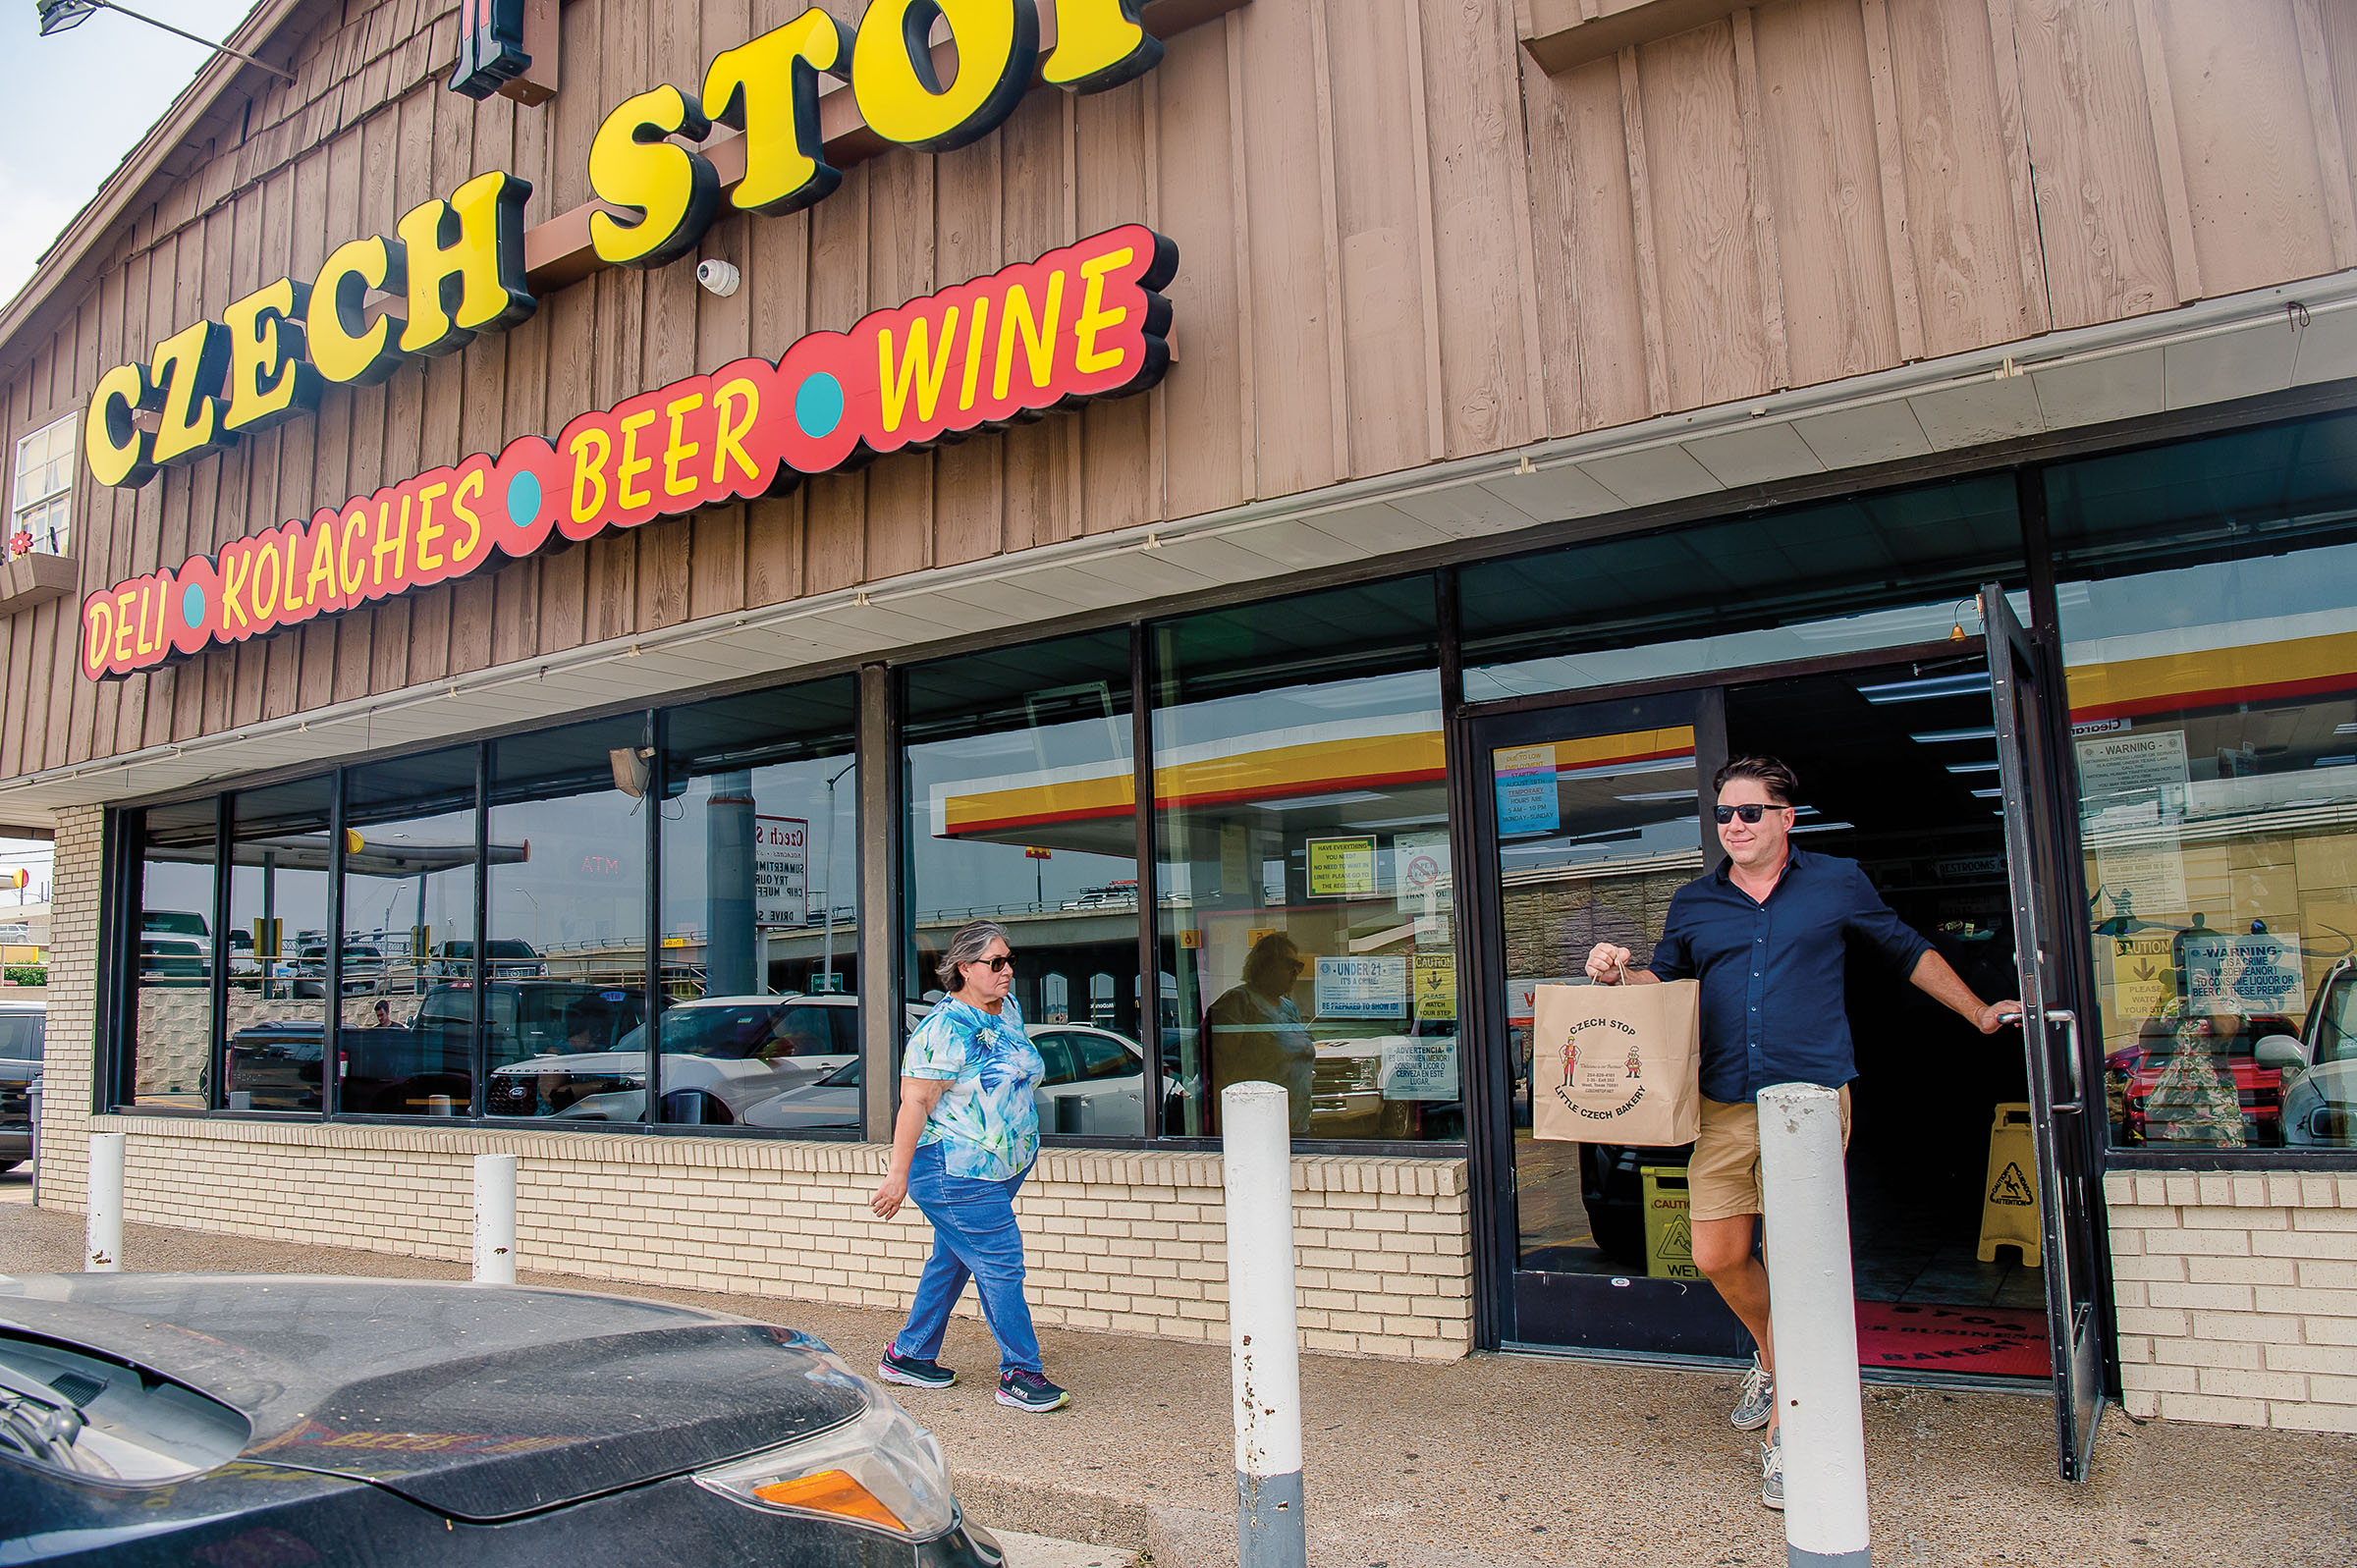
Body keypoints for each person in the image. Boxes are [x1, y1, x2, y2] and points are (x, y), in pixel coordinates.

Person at [1584, 756, 2017, 1510]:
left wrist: (1978, 1011)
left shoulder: (1837, 881)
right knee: (1718, 1251)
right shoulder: (1694, 901)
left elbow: (1908, 951)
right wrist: (1617, 973)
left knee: (1795, 1260)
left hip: (1810, 1102)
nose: (1734, 826)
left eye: (1750, 812)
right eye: (1724, 813)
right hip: (1722, 1102)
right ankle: (1773, 1355)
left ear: (1788, 817)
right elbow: (1664, 982)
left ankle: (1796, 1433)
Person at [871, 920, 1066, 1412]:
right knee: (1001, 1262)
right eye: (995, 963)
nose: (1006, 971)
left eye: (1009, 960)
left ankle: (908, 1354)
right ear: (963, 968)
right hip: (953, 1170)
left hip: (1000, 1166)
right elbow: (913, 1103)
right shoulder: (941, 1030)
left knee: (953, 1259)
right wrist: (897, 1176)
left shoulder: (1009, 1011)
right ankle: (1020, 1371)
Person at [1205, 932, 1315, 1133]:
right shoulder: (1238, 1002)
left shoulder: (1290, 1008)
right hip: (1257, 1125)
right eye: (1288, 964)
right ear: (1266, 965)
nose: (1295, 972)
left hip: (1297, 1126)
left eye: (1298, 966)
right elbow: (1221, 1070)